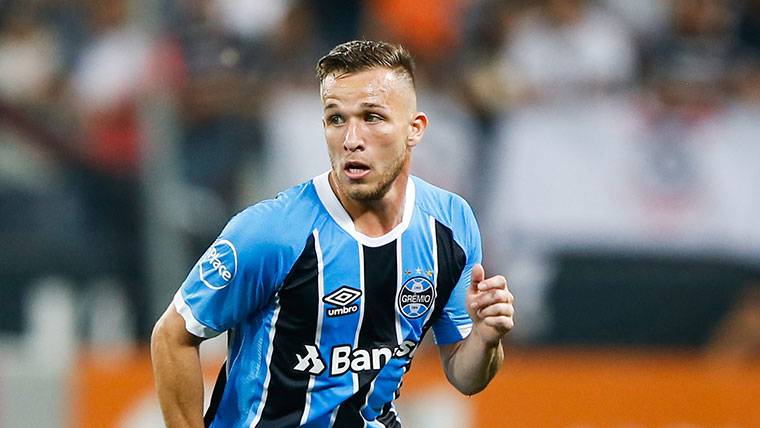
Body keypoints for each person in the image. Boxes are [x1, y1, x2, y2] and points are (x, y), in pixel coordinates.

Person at [151, 40, 515, 428]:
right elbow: (173, 335)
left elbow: (465, 375)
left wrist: (485, 338)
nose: (351, 139)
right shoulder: (273, 232)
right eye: (336, 119)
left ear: (414, 129)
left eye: (372, 117)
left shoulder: (451, 224)